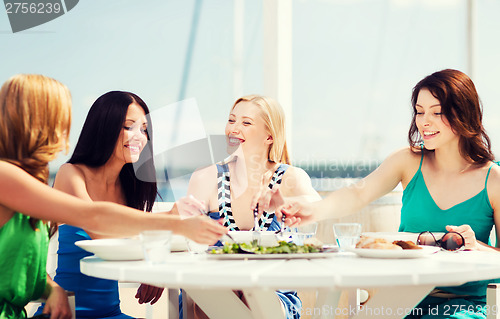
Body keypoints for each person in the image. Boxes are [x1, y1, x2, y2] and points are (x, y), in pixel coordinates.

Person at [261, 69, 500, 318]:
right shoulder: (408, 161)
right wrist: (311, 211)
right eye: (419, 111)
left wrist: (477, 247)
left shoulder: (493, 180)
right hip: (402, 301)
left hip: (464, 307)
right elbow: (358, 195)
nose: (424, 121)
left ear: (463, 113)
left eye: (436, 112)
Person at [0, 74, 227, 319]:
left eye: (144, 129)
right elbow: (96, 220)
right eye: (60, 119)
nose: (64, 131)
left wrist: (53, 289)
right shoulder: (12, 176)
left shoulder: (31, 183)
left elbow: (24, 264)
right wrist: (174, 222)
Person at [186, 94, 321, 319]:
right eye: (231, 121)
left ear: (269, 136)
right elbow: (183, 235)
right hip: (209, 291)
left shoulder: (290, 177)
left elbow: (317, 206)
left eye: (246, 123)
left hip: (273, 295)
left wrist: (286, 202)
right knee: (218, 291)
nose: (234, 129)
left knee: (254, 295)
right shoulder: (205, 177)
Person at [34, 91, 165, 318]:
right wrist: (153, 265)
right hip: (67, 312)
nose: (140, 137)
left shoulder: (130, 187)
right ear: (104, 127)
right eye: (129, 126)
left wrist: (156, 268)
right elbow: (103, 235)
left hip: (112, 313)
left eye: (144, 129)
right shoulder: (72, 174)